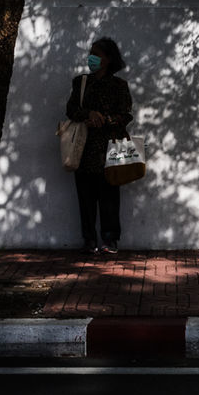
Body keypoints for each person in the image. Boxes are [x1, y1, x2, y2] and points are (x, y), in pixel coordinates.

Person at [65, 37, 133, 253]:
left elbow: (125, 115)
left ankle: (110, 239)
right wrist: (88, 115)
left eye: (97, 54)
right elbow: (71, 109)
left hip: (110, 149)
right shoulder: (81, 82)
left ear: (108, 59)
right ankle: (89, 239)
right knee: (85, 197)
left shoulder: (119, 86)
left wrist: (105, 119)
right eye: (91, 53)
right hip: (83, 148)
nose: (91, 58)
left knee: (110, 197)